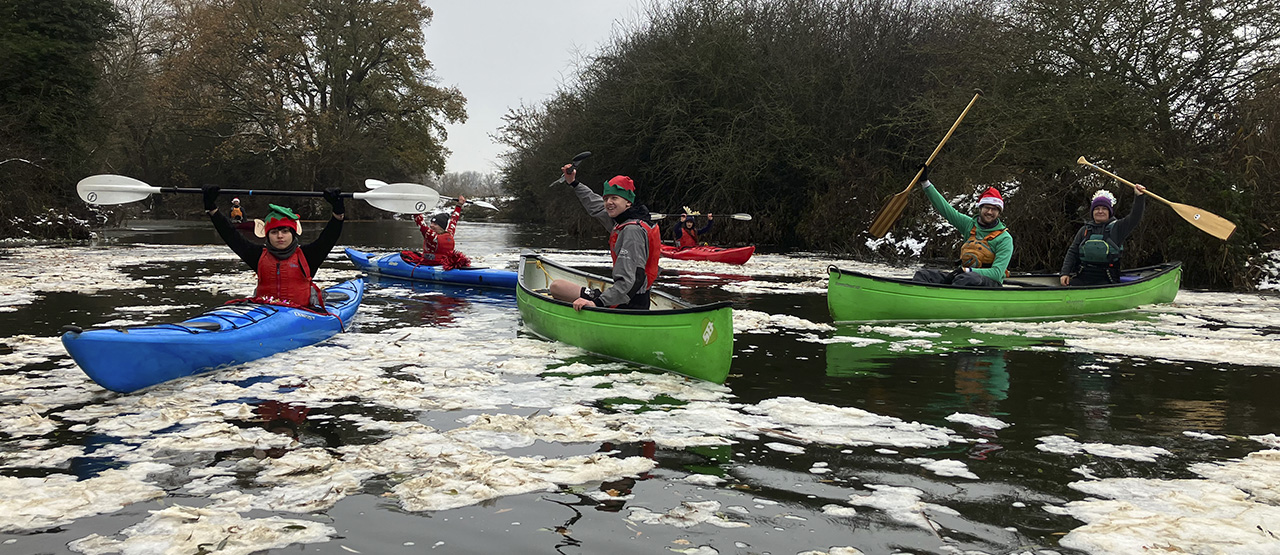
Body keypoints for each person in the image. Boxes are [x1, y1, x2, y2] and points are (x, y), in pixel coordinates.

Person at [202, 185, 345, 309]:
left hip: (301, 313)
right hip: (264, 313)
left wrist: (338, 212)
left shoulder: (308, 256)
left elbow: (329, 236)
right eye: (274, 232)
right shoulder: (257, 255)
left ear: (293, 234)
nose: (280, 236)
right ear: (267, 235)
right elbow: (230, 235)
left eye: (285, 231)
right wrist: (212, 209)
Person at [548, 167, 661, 311]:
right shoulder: (622, 221)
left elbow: (631, 280)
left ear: (628, 202)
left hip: (628, 304)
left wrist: (598, 303)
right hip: (628, 298)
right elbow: (594, 204)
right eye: (606, 198)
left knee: (557, 287)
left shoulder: (632, 231)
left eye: (614, 198)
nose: (608, 202)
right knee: (558, 287)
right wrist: (574, 183)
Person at [910, 164, 1012, 287]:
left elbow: (996, 273)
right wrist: (925, 183)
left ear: (999, 212)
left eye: (994, 209)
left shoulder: (1005, 239)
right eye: (987, 207)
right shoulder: (969, 225)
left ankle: (949, 301)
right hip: (964, 276)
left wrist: (967, 270)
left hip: (988, 283)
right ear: (980, 208)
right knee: (924, 275)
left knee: (967, 278)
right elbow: (945, 210)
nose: (990, 212)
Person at [1059, 185, 1147, 286]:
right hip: (1084, 275)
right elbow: (1072, 252)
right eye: (1097, 209)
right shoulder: (1085, 230)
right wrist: (1065, 273)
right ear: (1092, 212)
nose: (1100, 211)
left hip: (1107, 278)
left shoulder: (1118, 228)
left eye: (1104, 208)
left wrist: (1139, 197)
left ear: (1109, 212)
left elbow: (1135, 217)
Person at [406, 196, 471, 270]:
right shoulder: (450, 233)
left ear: (441, 227)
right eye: (431, 223)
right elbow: (454, 219)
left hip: (431, 264)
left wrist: (415, 209)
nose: (431, 226)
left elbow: (420, 223)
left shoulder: (432, 236)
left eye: (435, 224)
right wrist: (459, 206)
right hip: (444, 263)